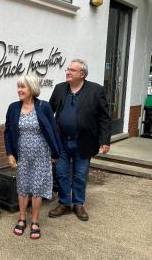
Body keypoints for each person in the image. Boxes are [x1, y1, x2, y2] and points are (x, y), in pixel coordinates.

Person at [48, 59, 111, 221]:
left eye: (72, 70)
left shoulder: (96, 91)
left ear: (82, 74)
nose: (68, 72)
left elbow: (104, 118)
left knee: (80, 175)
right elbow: (49, 112)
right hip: (61, 141)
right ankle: (64, 203)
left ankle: (78, 204)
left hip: (83, 141)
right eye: (68, 69)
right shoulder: (60, 88)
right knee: (61, 173)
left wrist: (105, 140)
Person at [4, 76, 61, 239]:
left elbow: (53, 130)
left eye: (23, 87)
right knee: (22, 186)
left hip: (41, 154)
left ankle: (35, 221)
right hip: (22, 154)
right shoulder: (13, 108)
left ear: (32, 89)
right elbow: (7, 132)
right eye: (19, 87)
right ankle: (22, 219)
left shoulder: (44, 106)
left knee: (37, 187)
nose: (19, 90)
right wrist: (10, 154)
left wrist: (55, 152)